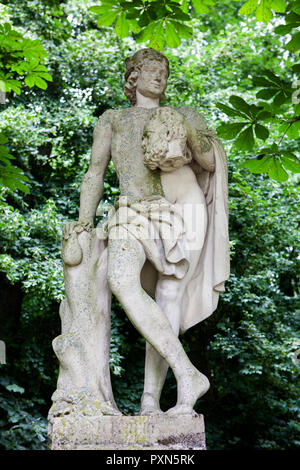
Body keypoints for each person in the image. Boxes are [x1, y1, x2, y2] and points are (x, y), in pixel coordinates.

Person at [63, 48, 229, 416]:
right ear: (134, 76)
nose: (159, 77)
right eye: (152, 70)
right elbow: (95, 172)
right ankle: (188, 373)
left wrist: (183, 126)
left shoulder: (185, 114)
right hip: (130, 212)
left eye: (165, 73)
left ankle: (150, 400)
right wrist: (84, 221)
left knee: (170, 296)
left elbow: (209, 160)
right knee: (121, 280)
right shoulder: (113, 119)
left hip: (176, 211)